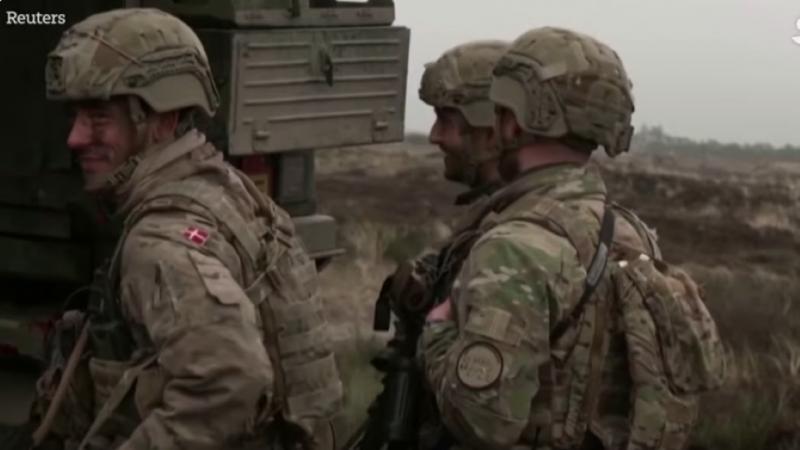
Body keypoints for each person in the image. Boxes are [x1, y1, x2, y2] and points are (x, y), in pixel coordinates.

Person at [32, 7, 342, 450]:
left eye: (99, 117)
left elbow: (230, 380)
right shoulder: (226, 189)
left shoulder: (160, 241)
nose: (76, 138)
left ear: (163, 119)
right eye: (76, 117)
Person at [419, 26, 724, 450]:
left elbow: (482, 423)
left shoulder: (514, 247)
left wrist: (437, 331)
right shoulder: (631, 231)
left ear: (513, 124)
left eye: (501, 111)